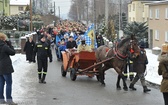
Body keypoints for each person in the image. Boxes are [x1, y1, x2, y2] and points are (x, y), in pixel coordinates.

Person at [0, 33, 17, 105]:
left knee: (1, 83)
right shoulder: (4, 46)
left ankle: (1, 99)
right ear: (2, 39)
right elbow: (13, 52)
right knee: (8, 83)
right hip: (6, 67)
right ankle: (9, 100)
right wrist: (10, 45)